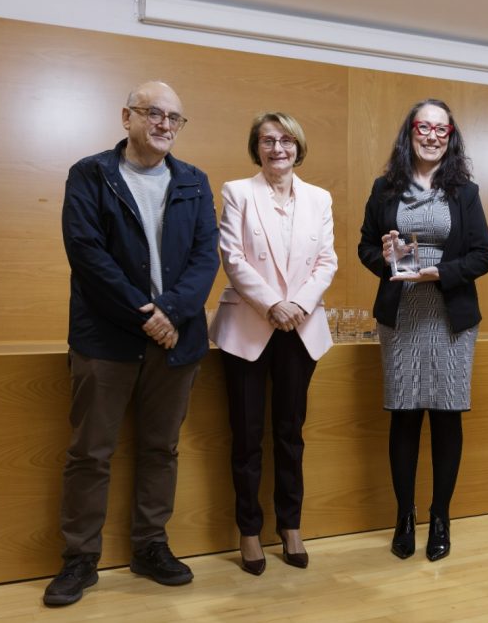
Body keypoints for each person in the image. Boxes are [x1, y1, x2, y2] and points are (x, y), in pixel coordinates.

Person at [46, 81, 219, 606]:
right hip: (106, 340)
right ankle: (79, 559)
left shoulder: (193, 180)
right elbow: (87, 254)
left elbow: (205, 257)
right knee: (90, 453)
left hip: (177, 342)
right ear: (127, 117)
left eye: (175, 117)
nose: (164, 124)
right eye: (153, 113)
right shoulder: (91, 174)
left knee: (160, 449)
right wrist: (147, 315)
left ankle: (150, 547)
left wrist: (172, 312)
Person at [357, 98, 488, 562]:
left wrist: (441, 273)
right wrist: (389, 257)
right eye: (424, 126)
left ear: (450, 135)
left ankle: (440, 517)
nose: (432, 135)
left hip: (450, 317)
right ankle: (404, 516)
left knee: (445, 415)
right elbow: (365, 249)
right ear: (410, 132)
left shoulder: (465, 191)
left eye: (442, 128)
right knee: (404, 414)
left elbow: (484, 255)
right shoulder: (384, 188)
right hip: (402, 315)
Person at [209, 112, 338, 575]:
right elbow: (233, 257)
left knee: (290, 433)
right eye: (268, 140)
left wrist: (299, 304)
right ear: (256, 147)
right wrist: (272, 305)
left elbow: (327, 260)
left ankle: (291, 526)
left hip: (300, 329)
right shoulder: (237, 192)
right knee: (245, 437)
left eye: (286, 140)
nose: (277, 148)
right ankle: (248, 531)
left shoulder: (319, 198)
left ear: (298, 146)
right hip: (249, 328)